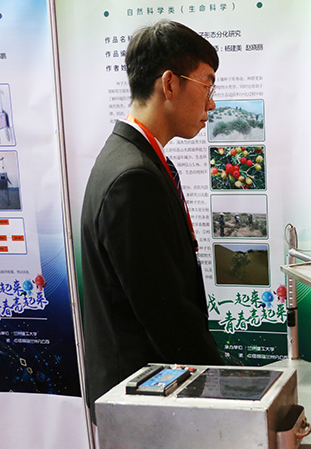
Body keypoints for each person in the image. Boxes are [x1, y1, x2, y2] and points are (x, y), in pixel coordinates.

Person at [81, 20, 223, 419]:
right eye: (207, 86)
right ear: (170, 84)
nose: (211, 104)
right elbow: (165, 313)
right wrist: (218, 382)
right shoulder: (133, 177)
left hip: (147, 391)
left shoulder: (131, 159)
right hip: (143, 398)